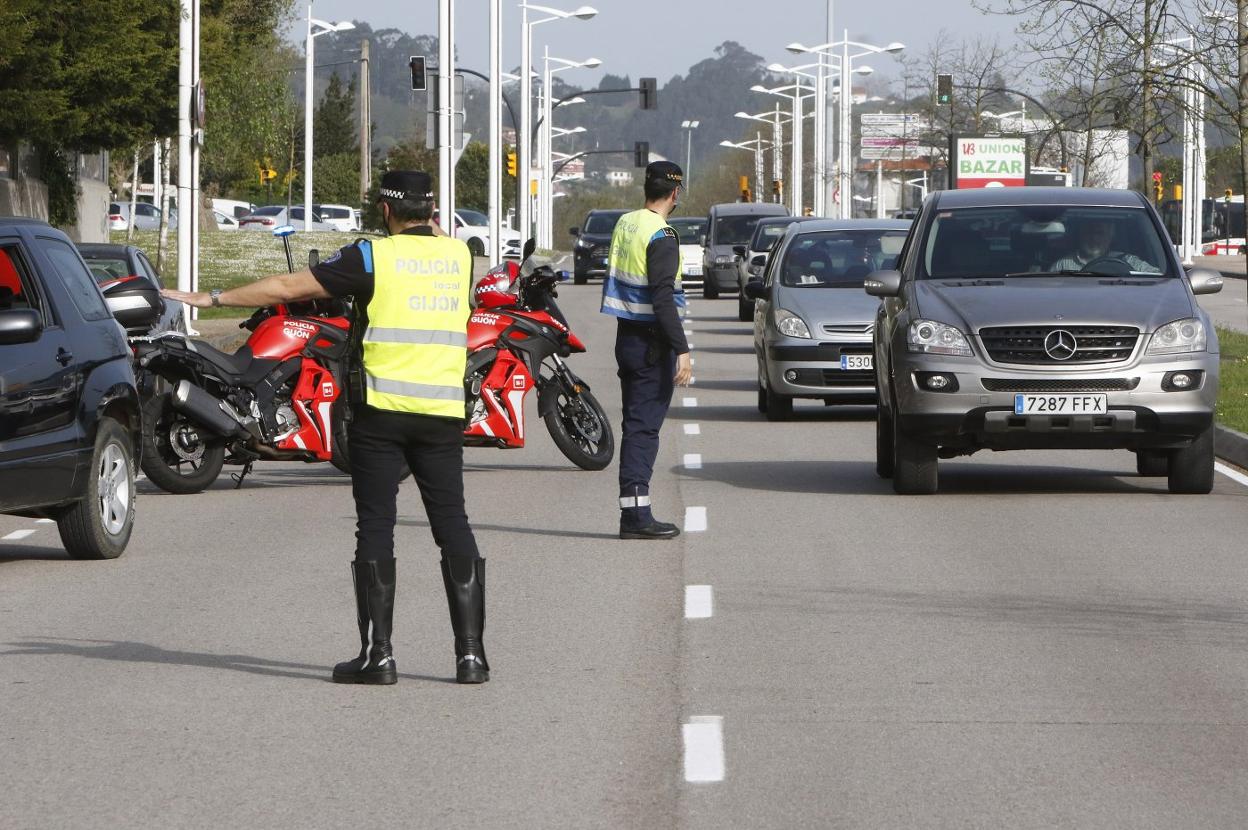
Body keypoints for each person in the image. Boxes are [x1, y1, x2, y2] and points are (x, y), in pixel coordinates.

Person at [162, 170, 489, 686]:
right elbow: (440, 254)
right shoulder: (460, 256)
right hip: (442, 415)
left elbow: (290, 286)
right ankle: (471, 657)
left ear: (385, 210)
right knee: (453, 525)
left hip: (382, 413)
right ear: (432, 211)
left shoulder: (372, 257)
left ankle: (378, 656)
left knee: (377, 527)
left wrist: (212, 298)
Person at [600, 160, 693, 540]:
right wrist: (682, 349)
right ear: (675, 192)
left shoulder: (627, 223)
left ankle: (633, 511)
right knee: (643, 430)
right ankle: (637, 515)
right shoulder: (662, 235)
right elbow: (663, 298)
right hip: (653, 343)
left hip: (627, 338)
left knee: (634, 426)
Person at [1049, 217, 1160, 273]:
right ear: (1081, 235)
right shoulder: (1063, 265)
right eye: (1089, 233)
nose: (1094, 238)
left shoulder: (1129, 261)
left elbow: (1159, 279)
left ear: (1111, 236)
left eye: (1100, 233)